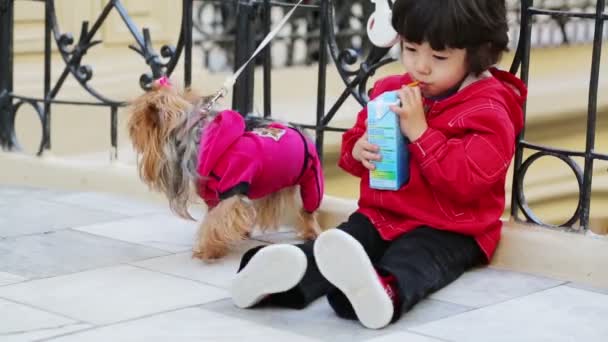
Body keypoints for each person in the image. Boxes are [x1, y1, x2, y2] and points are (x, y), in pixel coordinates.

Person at [230, 0, 527, 329]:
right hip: (383, 215)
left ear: (477, 54)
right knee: (341, 244)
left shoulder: (489, 109)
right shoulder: (390, 91)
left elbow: (468, 182)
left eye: (439, 57)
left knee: (414, 260)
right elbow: (353, 147)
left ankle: (383, 292)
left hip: (450, 229)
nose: (421, 67)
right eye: (410, 49)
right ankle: (280, 280)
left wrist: (421, 134)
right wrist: (358, 150)